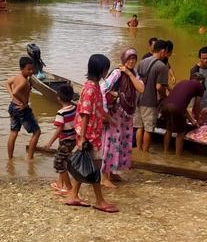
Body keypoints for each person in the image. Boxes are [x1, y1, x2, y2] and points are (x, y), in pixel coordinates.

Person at [66, 54, 119, 213]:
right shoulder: (90, 88)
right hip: (88, 134)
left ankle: (73, 195)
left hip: (91, 132)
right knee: (95, 166)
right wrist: (82, 138)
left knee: (84, 163)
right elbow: (85, 114)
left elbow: (99, 109)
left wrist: (110, 119)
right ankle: (100, 201)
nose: (107, 71)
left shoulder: (95, 86)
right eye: (106, 68)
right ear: (100, 69)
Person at [101, 48, 145, 188]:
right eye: (129, 59)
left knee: (122, 143)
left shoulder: (134, 74)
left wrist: (129, 73)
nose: (131, 61)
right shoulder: (117, 73)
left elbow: (141, 88)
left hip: (127, 114)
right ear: (123, 60)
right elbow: (103, 88)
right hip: (115, 113)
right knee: (110, 143)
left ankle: (113, 172)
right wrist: (105, 111)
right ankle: (104, 176)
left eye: (133, 59)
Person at [134, 39, 169, 152]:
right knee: (148, 129)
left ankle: (139, 150)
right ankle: (145, 153)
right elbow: (159, 87)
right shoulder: (162, 66)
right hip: (150, 102)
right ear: (163, 51)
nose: (166, 55)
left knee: (139, 127)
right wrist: (165, 97)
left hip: (138, 99)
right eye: (166, 52)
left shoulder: (142, 62)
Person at [43, 84, 77, 195]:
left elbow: (59, 129)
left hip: (65, 141)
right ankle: (59, 184)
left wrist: (49, 142)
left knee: (59, 162)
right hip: (73, 140)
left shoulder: (61, 113)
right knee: (64, 160)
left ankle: (68, 188)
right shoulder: (74, 108)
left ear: (58, 98)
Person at [160, 74, 205, 156]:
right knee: (181, 133)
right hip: (176, 108)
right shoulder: (200, 86)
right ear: (201, 81)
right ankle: (178, 158)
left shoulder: (182, 82)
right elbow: (196, 105)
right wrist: (198, 120)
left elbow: (181, 107)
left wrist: (192, 121)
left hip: (165, 106)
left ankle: (165, 153)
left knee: (169, 130)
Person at [5, 56, 41, 159]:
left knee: (13, 132)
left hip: (13, 107)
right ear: (22, 69)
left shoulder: (17, 77)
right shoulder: (24, 81)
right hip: (21, 109)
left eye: (32, 68)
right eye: (28, 69)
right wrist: (24, 102)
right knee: (37, 132)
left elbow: (7, 83)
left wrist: (12, 97)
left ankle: (10, 158)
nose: (31, 71)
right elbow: (16, 91)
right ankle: (30, 158)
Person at [190, 46, 207, 114]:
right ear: (199, 58)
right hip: (198, 100)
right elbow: (192, 89)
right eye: (203, 58)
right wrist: (194, 106)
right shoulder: (195, 70)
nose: (206, 60)